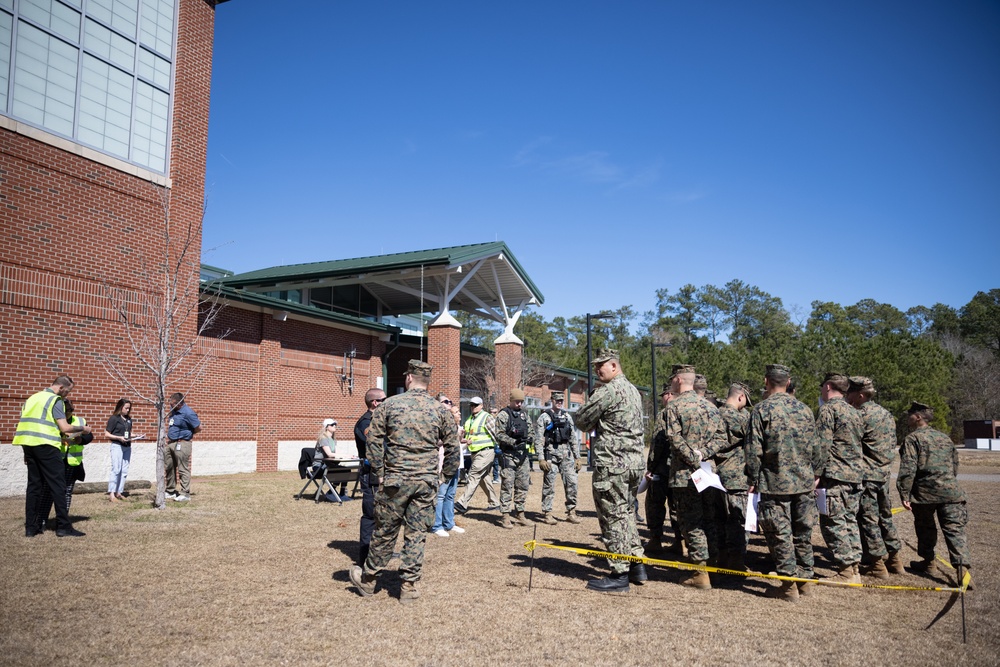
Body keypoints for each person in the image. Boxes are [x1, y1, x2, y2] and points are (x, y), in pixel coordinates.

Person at [349, 360, 460, 604]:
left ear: (408, 378)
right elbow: (453, 447)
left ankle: (368, 580)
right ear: (426, 381)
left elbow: (374, 441)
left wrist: (378, 471)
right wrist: (444, 476)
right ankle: (409, 586)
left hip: (394, 480)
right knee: (416, 534)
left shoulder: (389, 405)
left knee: (385, 531)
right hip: (426, 482)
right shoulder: (440, 410)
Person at [746, 364, 821, 601]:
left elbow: (753, 451)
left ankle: (789, 584)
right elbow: (817, 447)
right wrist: (815, 473)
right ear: (788, 382)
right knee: (802, 532)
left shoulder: (760, 410)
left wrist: (752, 478)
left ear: (766, 381)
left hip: (774, 482)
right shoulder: (805, 410)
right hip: (804, 482)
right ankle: (805, 580)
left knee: (780, 534)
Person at [574, 349, 646, 593]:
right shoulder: (633, 390)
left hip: (614, 464)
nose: (597, 371)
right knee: (626, 513)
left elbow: (582, 420)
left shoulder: (609, 390)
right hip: (634, 463)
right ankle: (637, 565)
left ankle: (619, 574)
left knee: (613, 516)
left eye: (601, 366)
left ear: (614, 366)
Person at [664, 365, 727, 589]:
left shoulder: (674, 406)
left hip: (685, 474)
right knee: (709, 518)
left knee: (691, 522)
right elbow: (722, 438)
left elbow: (674, 437)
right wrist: (703, 454)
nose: (671, 383)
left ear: (679, 380)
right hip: (708, 472)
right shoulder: (710, 407)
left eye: (672, 379)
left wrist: (692, 456)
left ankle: (700, 572)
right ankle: (712, 565)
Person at [897, 401, 971, 583]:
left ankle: (929, 560)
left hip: (925, 494)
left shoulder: (913, 439)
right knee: (955, 531)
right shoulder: (945, 438)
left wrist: (904, 493)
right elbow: (954, 465)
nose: (908, 417)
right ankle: (962, 570)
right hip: (951, 492)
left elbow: (908, 469)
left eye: (910, 414)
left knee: (925, 529)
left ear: (918, 417)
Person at [13, 375, 90, 537]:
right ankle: (63, 527)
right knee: (58, 485)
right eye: (68, 391)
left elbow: (26, 423)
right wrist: (84, 429)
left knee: (34, 486)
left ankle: (31, 527)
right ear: (61, 388)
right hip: (47, 445)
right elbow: (65, 427)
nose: (67, 395)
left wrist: (26, 452)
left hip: (28, 444)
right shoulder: (55, 400)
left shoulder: (32, 398)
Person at [846, 376, 903, 578]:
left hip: (867, 476)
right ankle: (895, 559)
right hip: (883, 474)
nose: (847, 396)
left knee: (868, 519)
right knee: (885, 517)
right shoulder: (886, 414)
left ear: (860, 395)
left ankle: (877, 564)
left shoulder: (859, 415)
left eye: (850, 392)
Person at [815, 372, 864, 583]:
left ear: (827, 387)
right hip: (854, 476)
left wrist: (815, 473)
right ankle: (854, 568)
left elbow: (822, 445)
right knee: (849, 521)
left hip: (835, 476)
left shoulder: (828, 410)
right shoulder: (854, 412)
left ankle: (846, 571)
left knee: (832, 521)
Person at [34, 399, 93, 531]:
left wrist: (80, 439)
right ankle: (41, 521)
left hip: (71, 463)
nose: (68, 413)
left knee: (66, 493)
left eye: (70, 410)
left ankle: (62, 522)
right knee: (48, 492)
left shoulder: (80, 421)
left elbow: (90, 436)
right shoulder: (52, 421)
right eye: (65, 411)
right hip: (55, 462)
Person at [715, 381, 753, 570]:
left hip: (716, 476)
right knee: (738, 521)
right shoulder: (738, 419)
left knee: (719, 520)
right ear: (740, 397)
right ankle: (736, 561)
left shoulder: (714, 413)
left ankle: (721, 557)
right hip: (736, 477)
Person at [535, 391, 581, 525]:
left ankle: (571, 512)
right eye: (557, 400)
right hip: (551, 454)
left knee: (572, 483)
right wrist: (541, 458)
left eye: (561, 400)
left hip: (566, 455)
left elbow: (573, 438)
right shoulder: (544, 417)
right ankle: (547, 513)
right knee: (549, 485)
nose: (559, 402)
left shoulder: (567, 417)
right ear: (552, 400)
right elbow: (538, 439)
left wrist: (577, 457)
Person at [354, 388, 386, 565]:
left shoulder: (378, 422)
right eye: (384, 400)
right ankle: (365, 556)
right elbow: (376, 446)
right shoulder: (365, 423)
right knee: (370, 516)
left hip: (382, 473)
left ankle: (379, 552)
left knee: (383, 516)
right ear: (375, 403)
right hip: (371, 475)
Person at [495, 388, 535, 529]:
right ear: (511, 400)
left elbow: (531, 430)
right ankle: (505, 515)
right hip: (509, 455)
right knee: (507, 484)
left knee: (523, 485)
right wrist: (513, 442)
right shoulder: (504, 415)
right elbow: (498, 435)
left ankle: (520, 513)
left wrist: (530, 439)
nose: (519, 404)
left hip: (522, 455)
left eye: (521, 402)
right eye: (517, 401)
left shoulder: (524, 415)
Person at [456, 396, 500, 514]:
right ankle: (494, 502)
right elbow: (465, 437)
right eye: (471, 405)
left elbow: (496, 434)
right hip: (474, 453)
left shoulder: (487, 417)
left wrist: (501, 450)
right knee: (483, 478)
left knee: (473, 475)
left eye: (475, 405)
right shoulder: (469, 419)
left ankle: (462, 503)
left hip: (486, 451)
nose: (473, 407)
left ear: (481, 406)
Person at [431, 394, 465, 537]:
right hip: (442, 463)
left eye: (450, 402)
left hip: (454, 462)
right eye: (446, 402)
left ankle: (449, 523)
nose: (449, 403)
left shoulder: (452, 423)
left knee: (450, 495)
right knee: (440, 495)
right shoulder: (435, 421)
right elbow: (433, 441)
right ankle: (437, 525)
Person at [165, 392, 200, 502]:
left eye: (173, 404)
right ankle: (170, 491)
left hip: (182, 443)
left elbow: (198, 427)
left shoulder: (188, 413)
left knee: (182, 468)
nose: (171, 405)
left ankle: (185, 493)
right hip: (171, 443)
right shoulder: (174, 412)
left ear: (179, 403)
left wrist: (186, 435)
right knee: (169, 467)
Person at [106, 398, 142, 502]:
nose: (128, 410)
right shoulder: (114, 418)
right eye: (126, 408)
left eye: (129, 408)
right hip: (117, 445)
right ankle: (112, 493)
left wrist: (136, 435)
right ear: (120, 407)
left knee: (124, 470)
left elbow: (127, 433)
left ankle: (119, 492)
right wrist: (118, 437)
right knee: (116, 469)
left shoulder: (129, 419)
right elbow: (107, 434)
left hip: (127, 446)